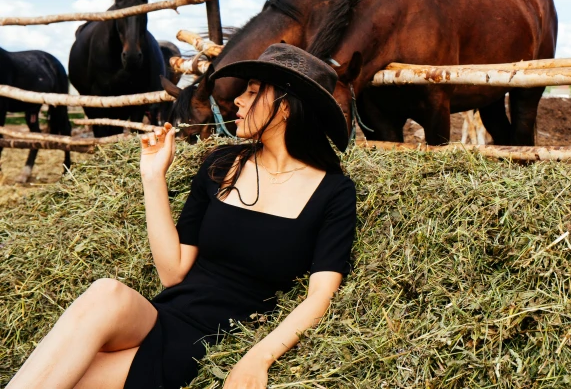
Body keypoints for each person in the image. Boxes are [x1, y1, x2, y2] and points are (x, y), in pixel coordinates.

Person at [7, 44, 357, 389]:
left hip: (214, 339)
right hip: (166, 314)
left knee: (69, 377)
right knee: (105, 292)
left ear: (285, 107)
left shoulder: (333, 193)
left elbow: (320, 296)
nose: (237, 100)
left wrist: (258, 357)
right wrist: (152, 175)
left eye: (252, 92)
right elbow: (172, 273)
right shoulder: (222, 164)